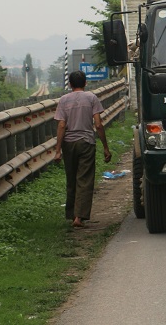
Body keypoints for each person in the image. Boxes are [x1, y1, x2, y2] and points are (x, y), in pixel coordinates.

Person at [54, 70, 112, 229]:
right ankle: (79, 216)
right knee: (84, 179)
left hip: (69, 143)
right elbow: (98, 124)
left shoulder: (64, 100)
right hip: (86, 142)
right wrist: (105, 148)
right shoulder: (91, 98)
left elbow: (61, 125)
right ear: (85, 83)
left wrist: (58, 150)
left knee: (71, 178)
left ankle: (72, 213)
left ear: (70, 84)